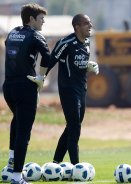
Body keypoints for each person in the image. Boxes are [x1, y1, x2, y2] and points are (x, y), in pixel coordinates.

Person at [2, 3, 50, 184]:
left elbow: (9, 47)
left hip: (8, 87)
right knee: (24, 131)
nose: (43, 22)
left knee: (17, 120)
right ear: (31, 19)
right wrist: (41, 77)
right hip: (25, 87)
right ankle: (16, 176)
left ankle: (12, 160)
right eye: (41, 18)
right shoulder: (35, 35)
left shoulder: (12, 32)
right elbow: (48, 57)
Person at [46, 14, 98, 165]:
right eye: (86, 23)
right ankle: (77, 166)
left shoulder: (87, 42)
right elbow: (50, 61)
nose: (90, 26)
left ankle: (55, 163)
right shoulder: (66, 42)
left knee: (72, 126)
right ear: (77, 27)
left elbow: (79, 64)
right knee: (75, 126)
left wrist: (88, 65)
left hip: (82, 89)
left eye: (90, 23)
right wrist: (40, 80)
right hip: (68, 89)